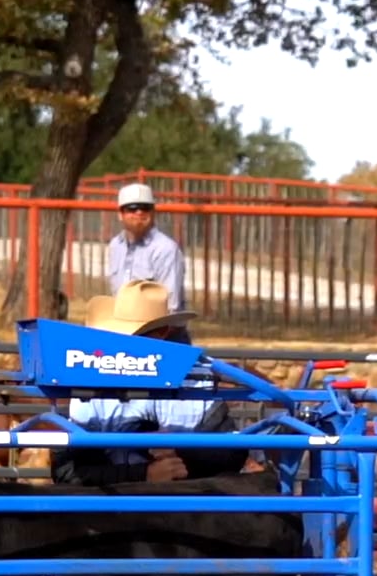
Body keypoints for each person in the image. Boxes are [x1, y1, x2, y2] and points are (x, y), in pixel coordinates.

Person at [50, 280, 245, 486]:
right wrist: (144, 474)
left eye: (133, 337)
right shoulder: (89, 390)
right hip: (115, 508)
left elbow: (231, 456)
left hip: (182, 506)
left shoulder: (196, 383)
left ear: (161, 334)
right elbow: (67, 471)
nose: (121, 348)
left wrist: (181, 450)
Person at [106, 183, 188, 315]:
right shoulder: (116, 246)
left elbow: (170, 307)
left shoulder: (165, 249)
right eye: (132, 208)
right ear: (120, 214)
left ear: (153, 212)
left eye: (146, 208)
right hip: (125, 326)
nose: (139, 212)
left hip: (161, 331)